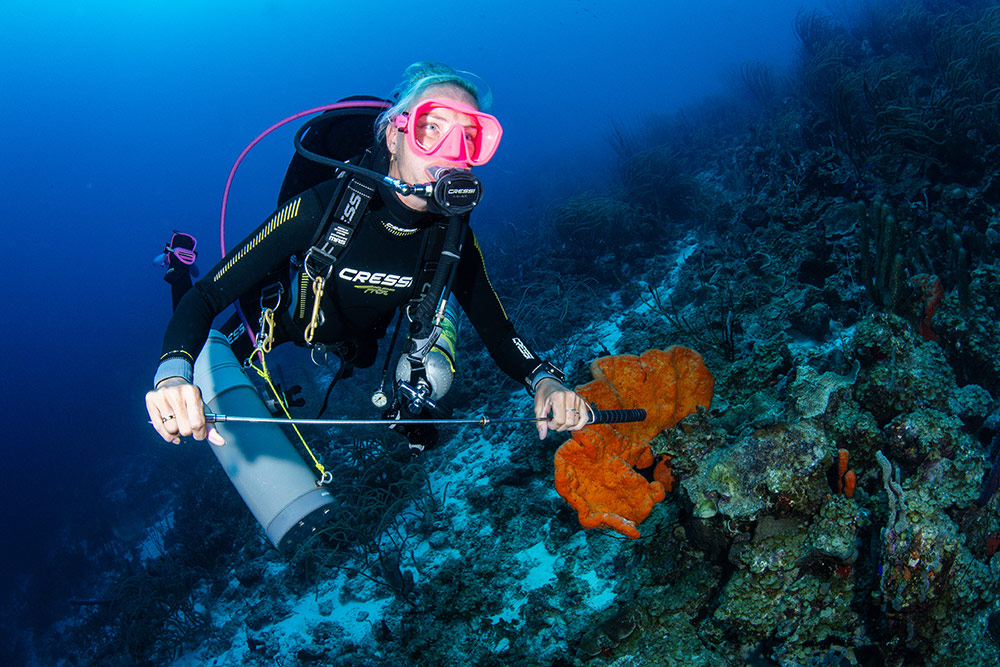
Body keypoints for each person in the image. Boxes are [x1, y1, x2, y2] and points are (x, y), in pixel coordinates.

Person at [144, 62, 589, 450]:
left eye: (469, 137)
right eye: (431, 128)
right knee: (206, 358)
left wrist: (545, 381)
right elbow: (206, 297)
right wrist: (171, 376)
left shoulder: (452, 239)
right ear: (395, 137)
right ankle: (176, 267)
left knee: (424, 366)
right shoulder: (318, 209)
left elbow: (498, 330)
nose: (452, 153)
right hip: (281, 321)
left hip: (359, 342)